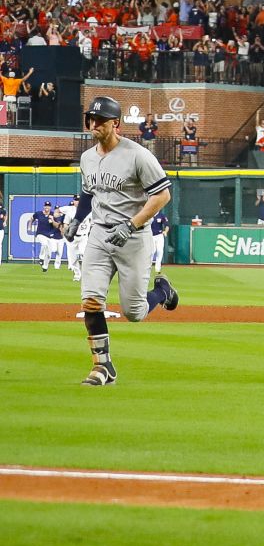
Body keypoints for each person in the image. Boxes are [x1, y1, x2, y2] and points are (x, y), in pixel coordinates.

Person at [73, 95, 179, 386]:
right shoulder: (87, 157)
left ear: (115, 124)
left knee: (134, 312)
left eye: (100, 120)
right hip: (99, 234)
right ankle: (103, 367)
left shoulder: (138, 155)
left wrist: (132, 224)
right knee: (91, 300)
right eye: (91, 119)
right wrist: (76, 221)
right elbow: (88, 194)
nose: (93, 124)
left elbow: (163, 195)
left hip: (133, 238)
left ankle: (162, 292)